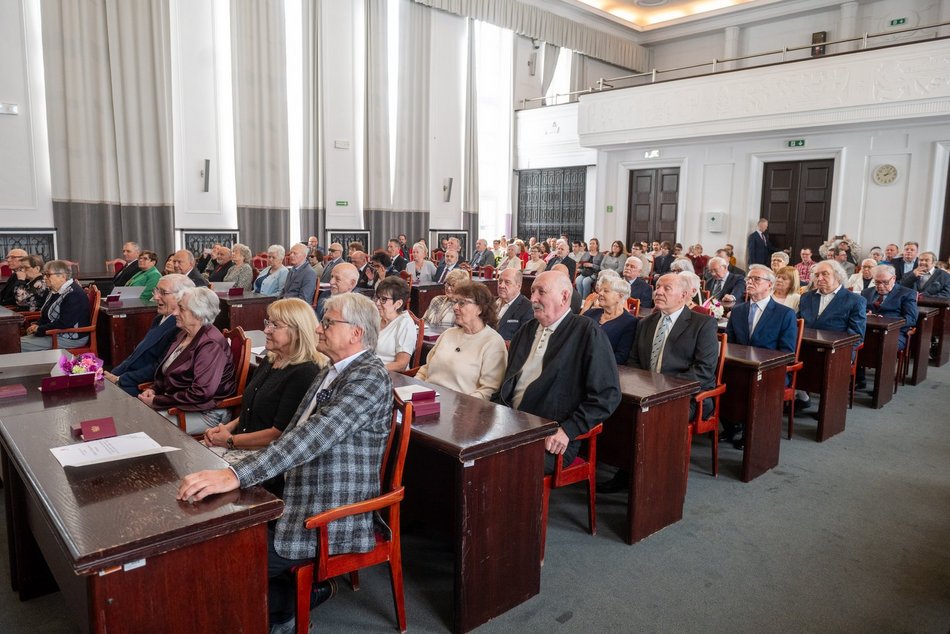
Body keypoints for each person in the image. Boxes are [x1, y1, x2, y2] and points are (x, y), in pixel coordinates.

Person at [177, 293, 391, 630]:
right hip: (291, 489)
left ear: (356, 333)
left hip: (328, 508)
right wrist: (242, 474)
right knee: (214, 536)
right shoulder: (331, 370)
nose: (318, 327)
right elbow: (292, 434)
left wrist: (237, 474)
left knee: (226, 564)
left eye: (329, 322)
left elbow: (312, 437)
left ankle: (289, 605)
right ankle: (286, 602)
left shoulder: (368, 377)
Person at [492, 271, 621, 474]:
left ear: (564, 296)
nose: (533, 298)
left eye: (541, 292)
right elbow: (508, 383)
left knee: (495, 465)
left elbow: (607, 394)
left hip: (551, 436)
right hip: (510, 424)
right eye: (532, 291)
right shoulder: (526, 330)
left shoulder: (586, 332)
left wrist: (569, 430)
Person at [202, 298, 325, 477]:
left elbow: (279, 434)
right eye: (268, 323)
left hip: (266, 458)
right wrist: (227, 428)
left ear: (297, 332)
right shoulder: (271, 358)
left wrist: (229, 440)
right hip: (241, 443)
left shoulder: (305, 372)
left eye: (275, 325)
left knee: (200, 472)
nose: (266, 330)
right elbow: (251, 409)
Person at [137, 286, 236, 434]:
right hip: (179, 404)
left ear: (199, 314)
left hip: (206, 413)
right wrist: (154, 389)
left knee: (143, 425)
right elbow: (169, 372)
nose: (175, 312)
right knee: (134, 415)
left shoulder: (210, 344)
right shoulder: (184, 334)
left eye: (181, 309)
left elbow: (201, 392)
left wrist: (157, 401)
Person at [724, 265, 798, 447]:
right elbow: (730, 345)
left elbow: (787, 352)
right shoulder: (738, 311)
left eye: (756, 279)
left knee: (751, 386)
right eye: (748, 279)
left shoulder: (785, 314)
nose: (750, 282)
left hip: (770, 371)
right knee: (717, 381)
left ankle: (751, 431)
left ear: (770, 285)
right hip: (740, 367)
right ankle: (732, 426)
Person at [105, 274, 194, 395]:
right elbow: (136, 355)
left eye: (163, 292)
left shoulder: (180, 326)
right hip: (128, 377)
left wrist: (119, 379)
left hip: (145, 386)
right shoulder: (159, 319)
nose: (156, 297)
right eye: (156, 291)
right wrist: (114, 374)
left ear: (181, 297)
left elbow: (158, 367)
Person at [417, 282, 508, 399]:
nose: (455, 307)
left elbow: (489, 390)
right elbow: (425, 369)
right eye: (455, 302)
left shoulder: (493, 343)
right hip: (426, 399)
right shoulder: (448, 334)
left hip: (462, 407)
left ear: (479, 309)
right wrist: (415, 389)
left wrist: (462, 407)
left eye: (462, 303)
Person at [20, 260, 91, 352]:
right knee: (14, 343)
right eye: (44, 274)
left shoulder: (73, 293)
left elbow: (65, 323)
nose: (44, 278)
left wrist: (40, 329)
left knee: (16, 345)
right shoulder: (55, 291)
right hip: (55, 333)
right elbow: (46, 315)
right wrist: (38, 324)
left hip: (70, 337)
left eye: (48, 275)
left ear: (62, 276)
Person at [798, 259, 866, 347]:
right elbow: (797, 324)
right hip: (804, 347)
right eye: (817, 275)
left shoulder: (855, 300)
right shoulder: (806, 297)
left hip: (836, 351)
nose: (820, 278)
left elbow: (857, 337)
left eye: (825, 274)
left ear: (837, 276)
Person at [582, 270, 637, 364]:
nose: (600, 293)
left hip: (603, 368)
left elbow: (621, 356)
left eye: (606, 291)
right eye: (600, 290)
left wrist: (592, 363)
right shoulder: (590, 314)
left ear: (620, 296)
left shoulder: (630, 322)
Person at [862, 264, 917, 351]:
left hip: (894, 333)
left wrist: (887, 321)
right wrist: (864, 315)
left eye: (885, 282)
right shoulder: (866, 292)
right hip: (867, 331)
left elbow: (911, 318)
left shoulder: (907, 293)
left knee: (883, 346)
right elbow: (858, 312)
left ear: (894, 278)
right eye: (877, 282)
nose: (880, 286)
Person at [373, 276, 417, 371]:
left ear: (398, 304)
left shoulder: (405, 324)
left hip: (389, 375)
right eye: (377, 298)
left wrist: (373, 370)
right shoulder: (376, 317)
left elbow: (401, 364)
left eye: (383, 299)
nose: (377, 303)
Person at [495, 268, 534, 341]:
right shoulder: (491, 302)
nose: (501, 286)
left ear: (518, 286)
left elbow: (523, 341)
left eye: (507, 282)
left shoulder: (528, 308)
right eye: (500, 281)